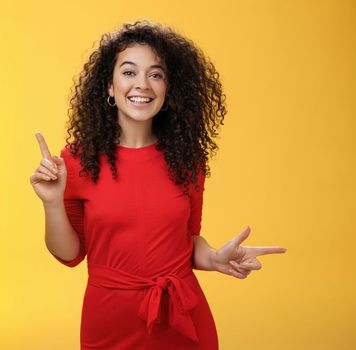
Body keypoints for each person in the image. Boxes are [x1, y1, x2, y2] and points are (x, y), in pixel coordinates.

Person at [29, 20, 287, 349]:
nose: (143, 85)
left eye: (156, 74)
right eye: (129, 72)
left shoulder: (187, 159)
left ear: (168, 88)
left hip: (182, 319)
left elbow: (186, 241)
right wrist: (51, 202)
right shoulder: (78, 159)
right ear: (109, 85)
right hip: (109, 320)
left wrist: (213, 258)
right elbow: (69, 254)